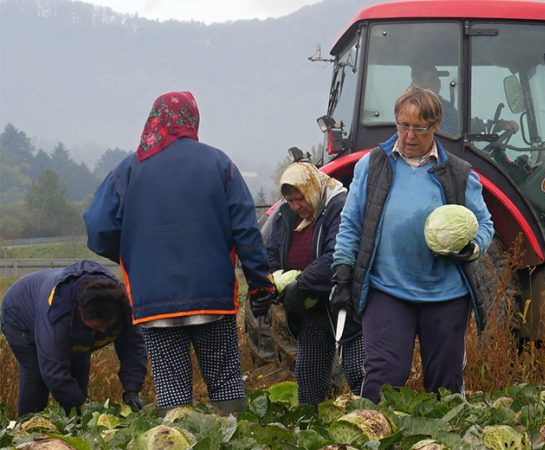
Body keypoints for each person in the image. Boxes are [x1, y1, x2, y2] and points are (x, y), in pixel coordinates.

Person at [83, 91, 275, 416]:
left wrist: (134, 254)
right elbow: (246, 232)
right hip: (212, 296)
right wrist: (261, 286)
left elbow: (98, 228)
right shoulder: (219, 163)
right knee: (225, 381)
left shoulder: (129, 170)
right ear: (191, 119)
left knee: (172, 388)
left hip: (154, 302)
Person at [329, 86, 494, 404]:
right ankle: (374, 445)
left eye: (418, 128)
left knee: (444, 383)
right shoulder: (372, 166)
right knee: (385, 374)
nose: (408, 135)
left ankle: (442, 447)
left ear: (435, 126)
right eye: (403, 125)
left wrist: (472, 248)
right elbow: (351, 223)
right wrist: (342, 270)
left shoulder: (459, 174)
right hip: (387, 289)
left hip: (446, 294)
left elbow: (485, 224)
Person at [266, 160, 364, 403]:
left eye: (300, 198)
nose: (296, 206)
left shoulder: (339, 207)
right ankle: (310, 426)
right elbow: (271, 251)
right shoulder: (285, 215)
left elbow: (336, 254)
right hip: (311, 310)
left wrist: (301, 285)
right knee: (308, 376)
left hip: (344, 304)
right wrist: (274, 280)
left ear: (311, 189)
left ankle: (373, 423)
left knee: (357, 370)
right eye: (290, 200)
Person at [1, 260, 147, 417]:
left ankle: (74, 429)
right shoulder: (58, 313)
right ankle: (27, 427)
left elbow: (133, 348)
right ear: (80, 309)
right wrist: (79, 403)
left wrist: (132, 389)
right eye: (96, 327)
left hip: (71, 323)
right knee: (36, 376)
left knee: (79, 368)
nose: (103, 331)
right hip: (21, 314)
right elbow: (53, 370)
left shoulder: (123, 305)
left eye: (107, 325)